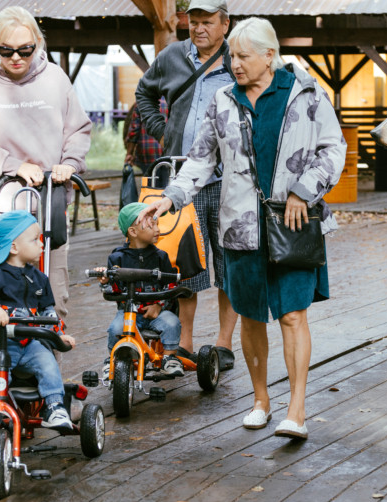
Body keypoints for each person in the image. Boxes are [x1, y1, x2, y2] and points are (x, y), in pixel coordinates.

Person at [139, 17, 346, 439]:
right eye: (231, 55)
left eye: (243, 56)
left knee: (291, 316)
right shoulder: (222, 101)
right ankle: (260, 401)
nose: (234, 63)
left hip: (293, 223)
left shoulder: (305, 94)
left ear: (270, 56)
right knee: (251, 317)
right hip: (240, 228)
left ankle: (297, 409)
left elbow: (333, 148)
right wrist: (170, 197)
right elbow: (199, 160)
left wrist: (303, 191)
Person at [0, 6, 92, 320]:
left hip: (46, 208)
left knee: (53, 304)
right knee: (4, 306)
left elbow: (77, 129)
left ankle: (49, 369)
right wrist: (12, 164)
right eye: (6, 50)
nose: (16, 58)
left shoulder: (54, 77)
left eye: (25, 50)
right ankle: (1, 370)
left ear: (38, 44)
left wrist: (70, 162)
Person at [135, 0, 238, 371]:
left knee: (229, 262)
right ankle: (185, 343)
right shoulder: (172, 56)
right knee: (183, 265)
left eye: (207, 22)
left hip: (227, 182)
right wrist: (163, 133)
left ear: (225, 23)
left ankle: (224, 344)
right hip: (180, 180)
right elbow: (144, 93)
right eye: (192, 22)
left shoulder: (236, 58)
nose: (198, 29)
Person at [0, 210, 76, 444]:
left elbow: (48, 312)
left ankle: (54, 406)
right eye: (35, 240)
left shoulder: (40, 279)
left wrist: (59, 334)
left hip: (29, 342)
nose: (41, 245)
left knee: (48, 363)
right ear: (14, 247)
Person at [96, 202, 184, 378]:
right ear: (133, 232)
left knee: (172, 322)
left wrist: (159, 305)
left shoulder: (161, 257)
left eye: (157, 223)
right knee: (115, 328)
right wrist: (105, 281)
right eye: (151, 225)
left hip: (157, 311)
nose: (157, 229)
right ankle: (111, 360)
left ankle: (169, 358)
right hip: (129, 312)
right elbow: (113, 290)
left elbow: (170, 285)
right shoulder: (117, 258)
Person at [124, 101, 165, 175]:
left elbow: (134, 130)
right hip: (167, 152)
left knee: (149, 184)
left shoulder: (141, 102)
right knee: (166, 182)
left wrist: (129, 153)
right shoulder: (171, 100)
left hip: (147, 154)